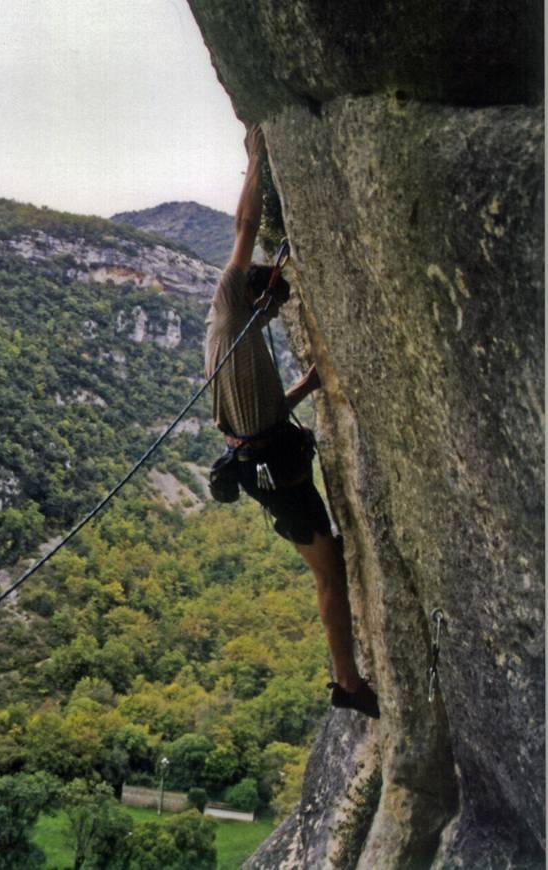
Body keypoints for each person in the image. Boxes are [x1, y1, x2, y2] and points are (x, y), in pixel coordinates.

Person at [205, 125, 379, 719]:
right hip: (273, 468)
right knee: (329, 575)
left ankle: (348, 678)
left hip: (260, 456)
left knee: (329, 564)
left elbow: (267, 410)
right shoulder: (231, 300)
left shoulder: (235, 335)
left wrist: (310, 380)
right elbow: (245, 229)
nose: (276, 313)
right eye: (274, 304)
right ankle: (349, 685)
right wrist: (255, 160)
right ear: (255, 295)